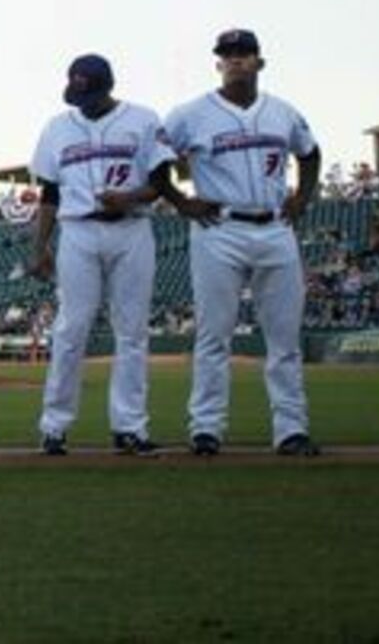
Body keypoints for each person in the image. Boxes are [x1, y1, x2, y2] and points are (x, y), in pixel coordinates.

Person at [156, 28, 322, 456]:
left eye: (243, 53)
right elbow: (154, 158)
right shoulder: (190, 113)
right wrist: (180, 201)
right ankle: (206, 428)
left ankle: (291, 430)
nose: (235, 60)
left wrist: (303, 196)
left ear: (259, 62)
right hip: (219, 228)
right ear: (218, 64)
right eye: (227, 55)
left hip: (274, 227)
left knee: (284, 338)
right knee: (214, 334)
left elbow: (309, 151)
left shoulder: (282, 111)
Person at [25, 54, 174, 456]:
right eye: (77, 93)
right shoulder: (57, 127)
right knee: (71, 329)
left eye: (88, 93)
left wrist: (128, 197)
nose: (82, 101)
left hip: (131, 229)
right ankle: (54, 426)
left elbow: (162, 183)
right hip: (77, 230)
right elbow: (50, 193)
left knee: (132, 331)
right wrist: (40, 247)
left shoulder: (142, 119)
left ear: (108, 87)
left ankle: (129, 427)